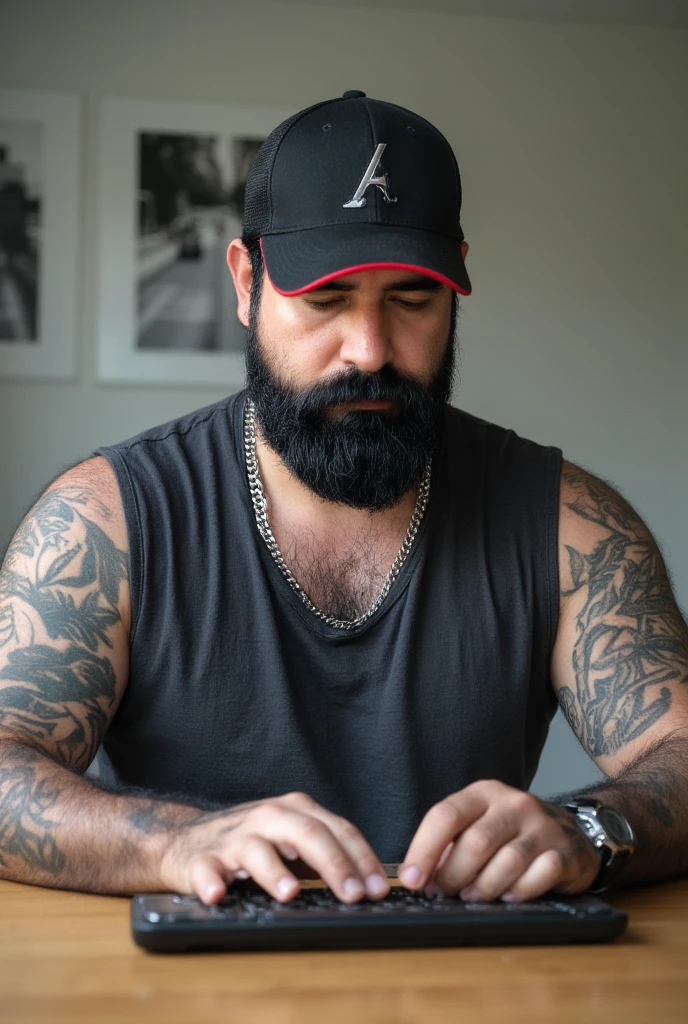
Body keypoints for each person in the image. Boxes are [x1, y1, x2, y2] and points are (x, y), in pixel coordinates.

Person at [1, 92, 687, 910]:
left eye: (411, 300)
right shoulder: (105, 522)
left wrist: (588, 830)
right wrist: (176, 842)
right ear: (246, 283)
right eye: (326, 301)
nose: (369, 350)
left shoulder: (569, 526)